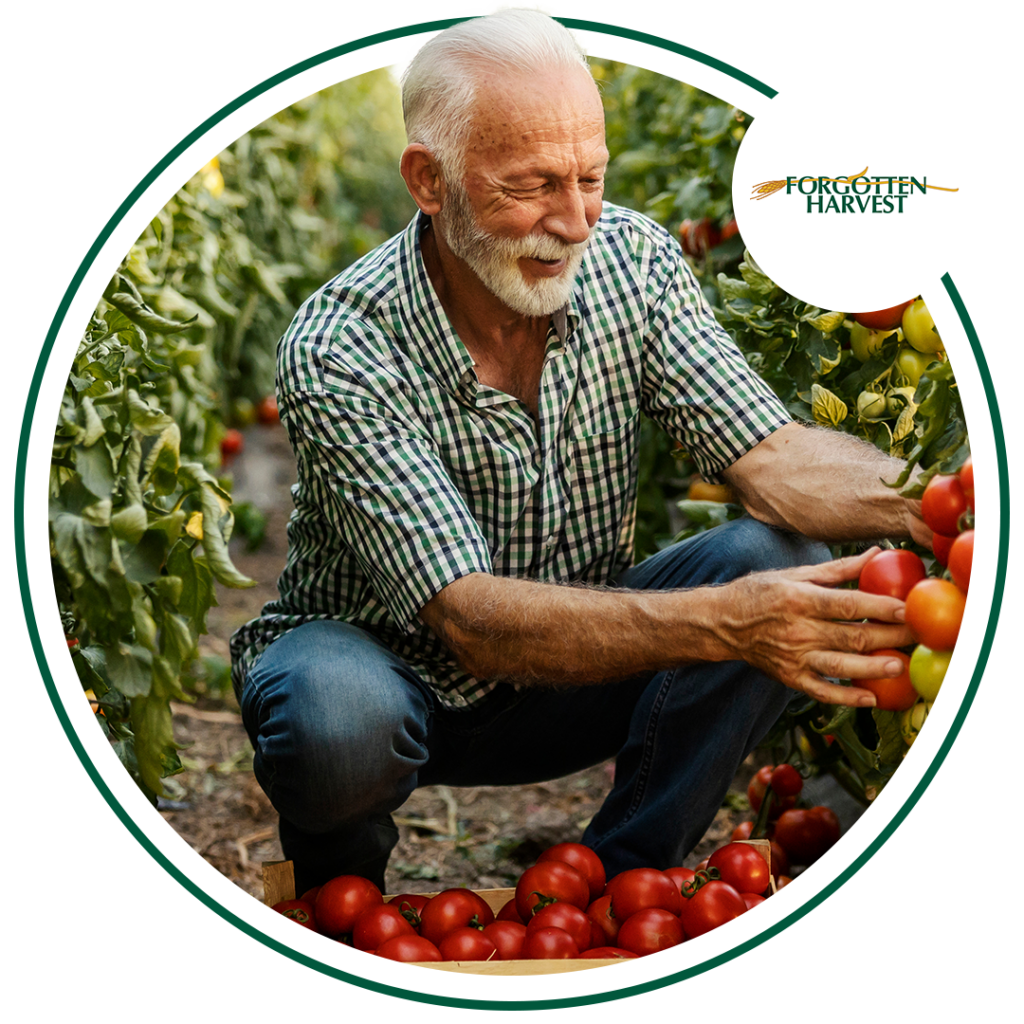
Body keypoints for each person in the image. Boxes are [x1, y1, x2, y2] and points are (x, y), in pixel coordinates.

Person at [229, 9, 929, 897]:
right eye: (532, 185)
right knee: (335, 715)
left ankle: (615, 886)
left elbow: (773, 458)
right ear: (429, 181)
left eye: (590, 178)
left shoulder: (630, 261)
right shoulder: (342, 343)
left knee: (780, 556)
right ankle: (341, 899)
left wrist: (938, 498)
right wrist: (726, 620)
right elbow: (470, 621)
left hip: (579, 665)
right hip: (391, 677)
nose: (574, 221)